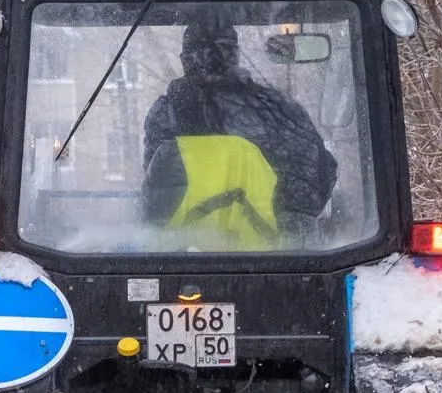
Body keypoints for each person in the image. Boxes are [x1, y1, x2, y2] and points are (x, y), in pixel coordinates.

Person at [142, 13, 339, 248]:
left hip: (178, 262)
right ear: (234, 54)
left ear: (185, 59)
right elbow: (314, 184)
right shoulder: (276, 110)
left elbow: (156, 196)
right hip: (272, 264)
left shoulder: (165, 115)